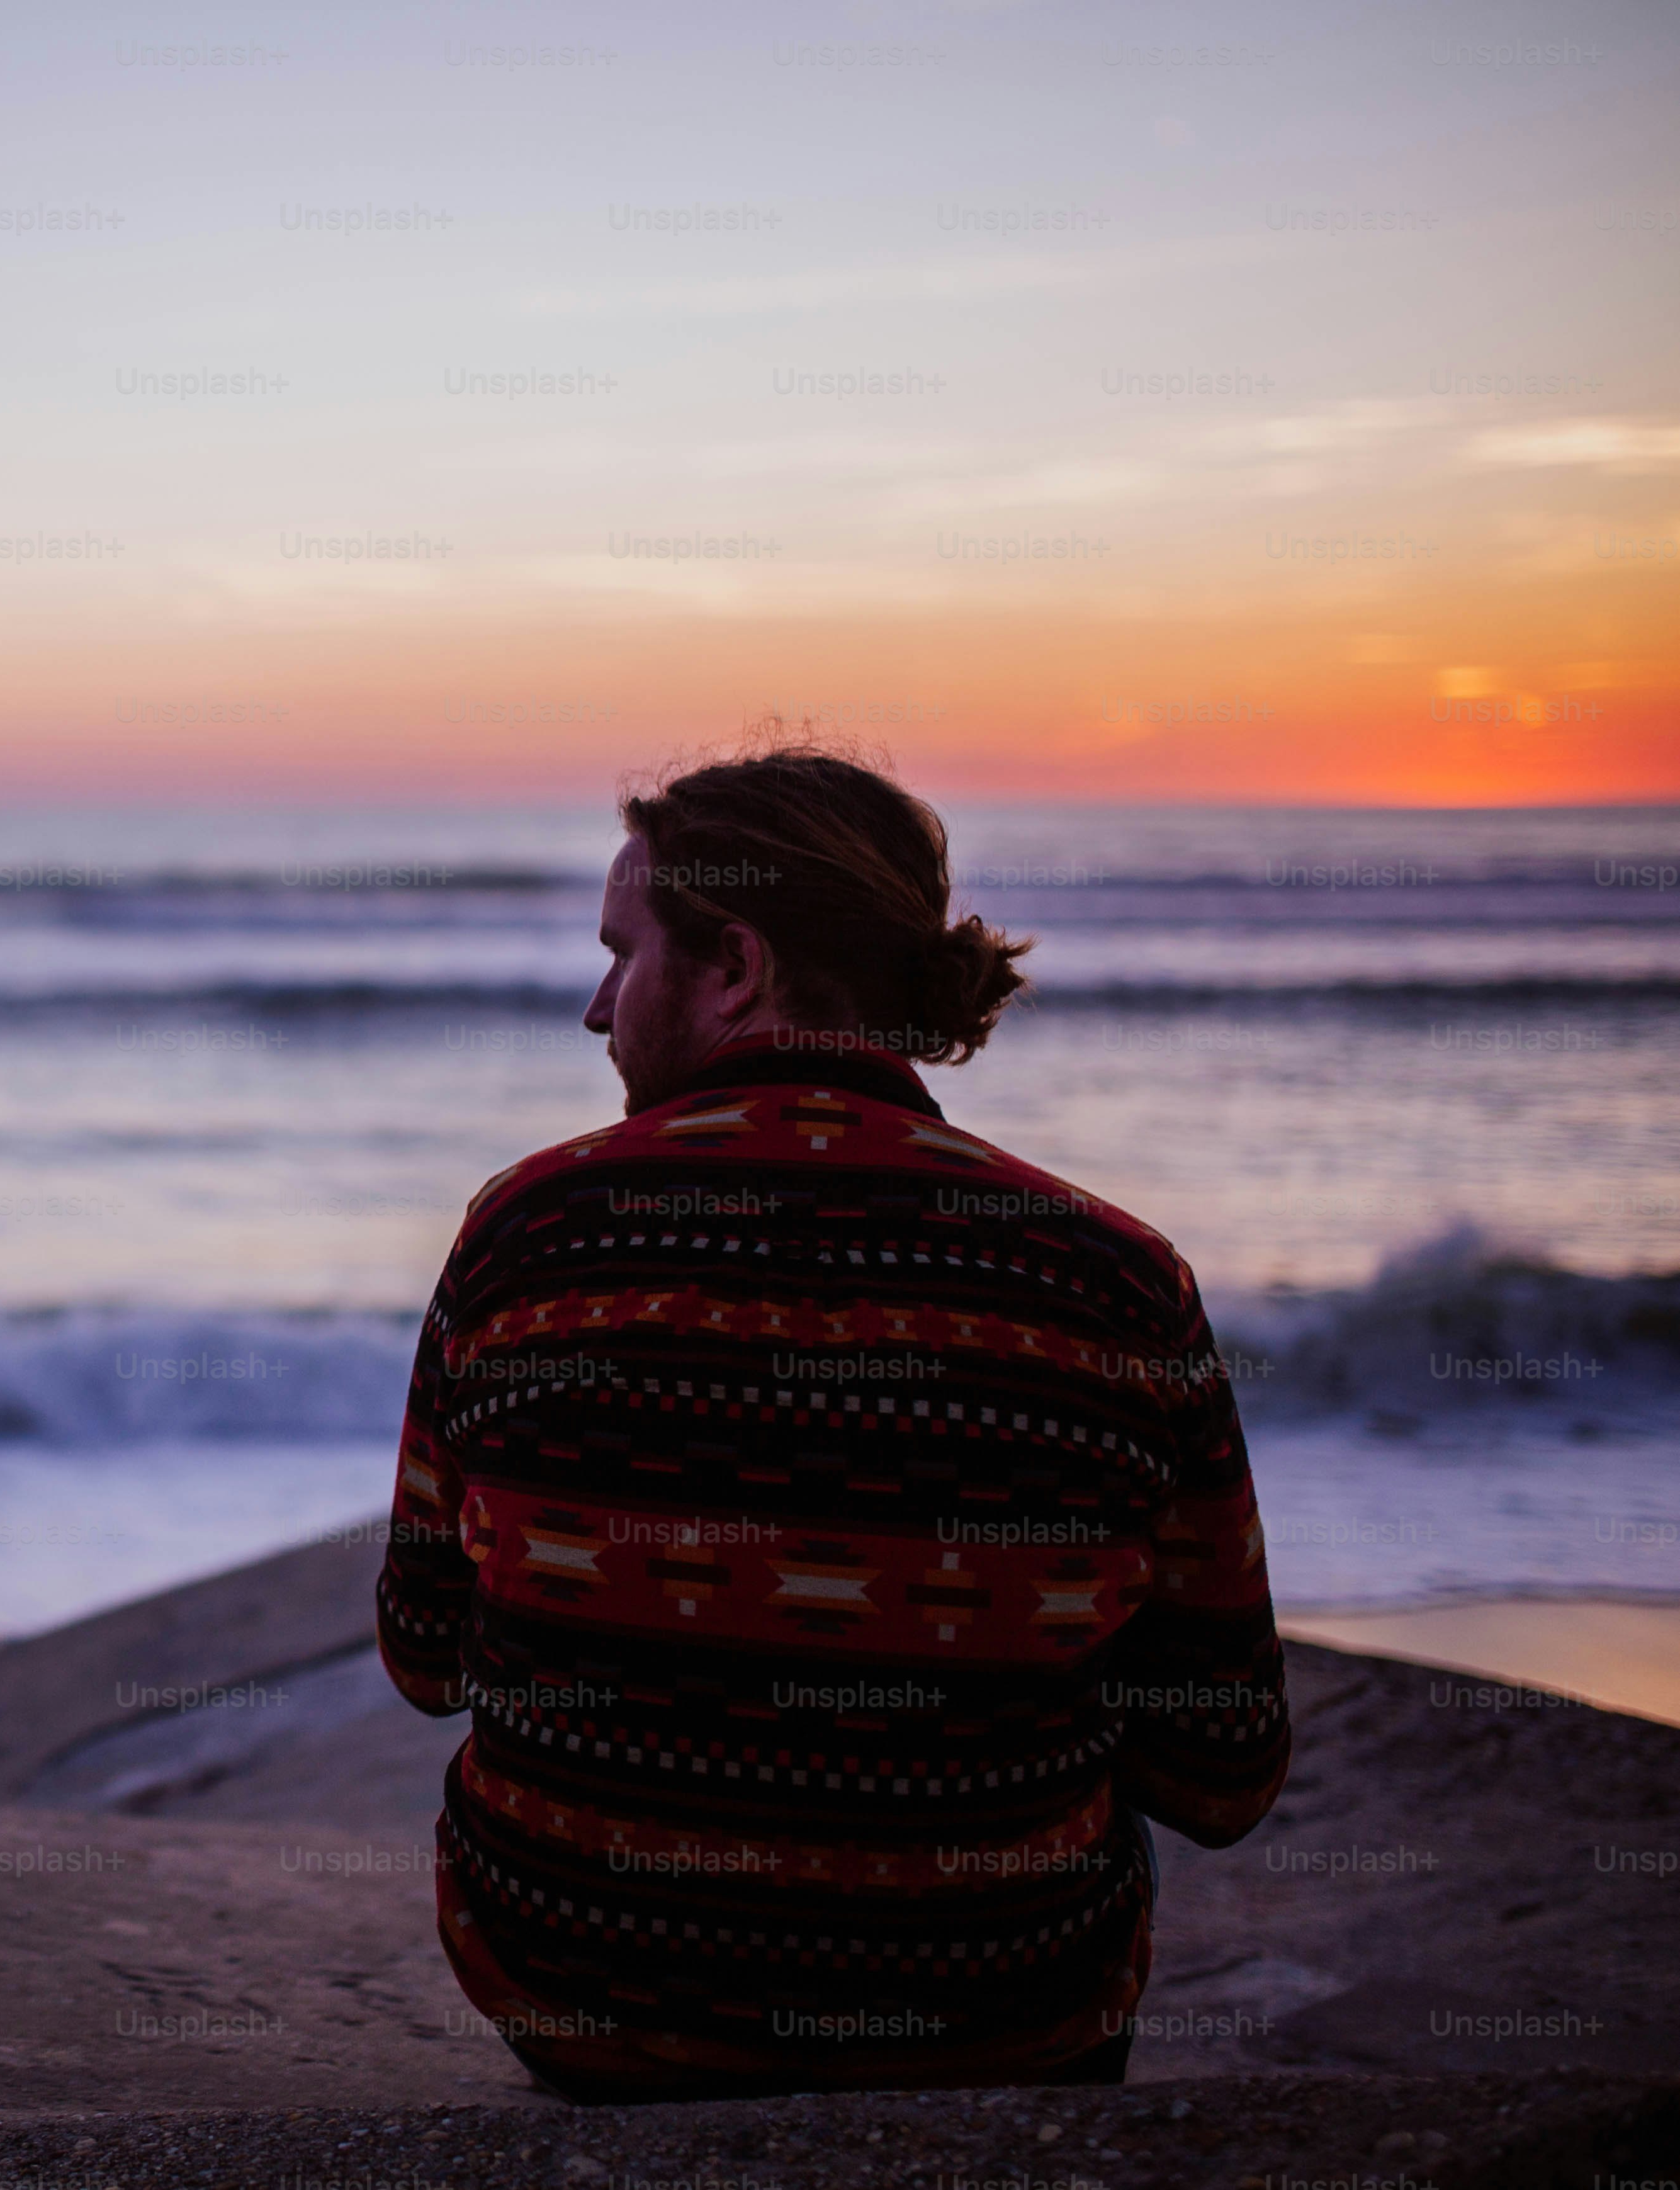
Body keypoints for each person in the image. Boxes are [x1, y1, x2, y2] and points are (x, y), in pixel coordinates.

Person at [375, 746, 1290, 2103]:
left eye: (620, 957)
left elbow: (426, 1653)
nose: (592, 1008)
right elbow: (1221, 1769)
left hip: (587, 1993)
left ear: (733, 965)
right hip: (1004, 2014)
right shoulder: (1110, 1274)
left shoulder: (528, 1231)